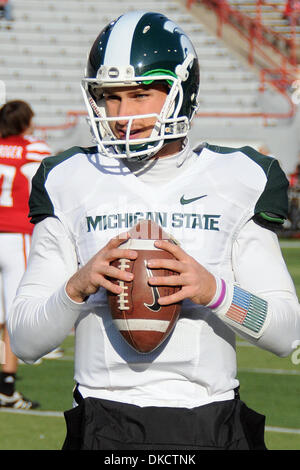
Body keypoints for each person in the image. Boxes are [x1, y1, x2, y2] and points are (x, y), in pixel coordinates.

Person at [7, 11, 300, 449]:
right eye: (111, 97)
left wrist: (213, 291)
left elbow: (286, 333)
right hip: (101, 422)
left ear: (181, 93)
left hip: (210, 420)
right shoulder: (68, 179)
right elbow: (27, 341)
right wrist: (78, 285)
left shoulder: (237, 178)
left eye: (141, 94)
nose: (123, 114)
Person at [0, 100, 51, 409]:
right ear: (24, 122)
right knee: (15, 312)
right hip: (17, 233)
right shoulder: (32, 148)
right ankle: (6, 388)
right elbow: (48, 182)